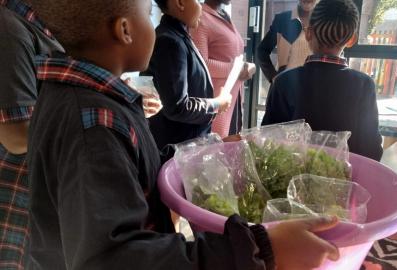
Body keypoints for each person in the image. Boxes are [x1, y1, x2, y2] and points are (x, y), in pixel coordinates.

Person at [27, 0, 340, 269]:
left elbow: (135, 171)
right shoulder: (93, 125)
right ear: (124, 30)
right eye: (147, 12)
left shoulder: (85, 100)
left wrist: (206, 152)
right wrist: (263, 247)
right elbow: (112, 258)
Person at [261, 0, 383, 161]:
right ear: (351, 40)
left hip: (292, 180)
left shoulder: (283, 82)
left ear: (308, 33)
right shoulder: (364, 85)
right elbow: (371, 150)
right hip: (343, 181)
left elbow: (267, 142)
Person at [0, 0, 62, 268]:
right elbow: (15, 136)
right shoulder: (9, 28)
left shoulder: (40, 25)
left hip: (40, 187)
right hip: (19, 191)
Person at [144, 0, 233, 159]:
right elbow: (178, 107)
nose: (202, 7)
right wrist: (217, 104)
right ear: (180, 3)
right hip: (177, 151)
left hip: (185, 146)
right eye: (199, 1)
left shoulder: (179, 36)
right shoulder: (169, 41)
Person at [190, 0, 256, 137]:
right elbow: (200, 64)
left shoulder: (224, 15)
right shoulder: (201, 17)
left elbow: (229, 57)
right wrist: (236, 69)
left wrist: (246, 67)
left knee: (228, 149)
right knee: (215, 150)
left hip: (233, 99)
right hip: (215, 101)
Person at [256, 0, 318, 82]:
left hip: (313, 86)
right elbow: (262, 50)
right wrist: (273, 77)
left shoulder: (323, 23)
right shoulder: (282, 19)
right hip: (285, 86)